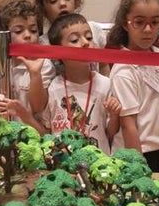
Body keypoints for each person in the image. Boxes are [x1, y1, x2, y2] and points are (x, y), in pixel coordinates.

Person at [107, 0, 159, 171]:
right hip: (135, 154)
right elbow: (128, 126)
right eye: (139, 22)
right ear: (125, 24)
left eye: (154, 22)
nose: (147, 29)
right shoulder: (124, 69)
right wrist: (138, 167)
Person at [39, 13, 120, 152]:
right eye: (75, 40)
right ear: (58, 52)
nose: (85, 42)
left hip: (99, 163)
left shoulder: (105, 84)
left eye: (89, 37)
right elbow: (47, 130)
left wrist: (114, 115)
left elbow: (111, 133)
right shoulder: (54, 87)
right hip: (64, 164)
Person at [0, 0, 53, 134]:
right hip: (7, 132)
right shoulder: (0, 62)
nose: (27, 35)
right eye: (19, 31)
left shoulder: (44, 64)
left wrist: (35, 73)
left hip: (36, 132)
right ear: (6, 36)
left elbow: (38, 106)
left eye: (33, 30)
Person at [33, 0, 108, 46]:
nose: (62, 4)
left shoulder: (95, 30)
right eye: (53, 1)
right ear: (43, 9)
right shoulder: (43, 44)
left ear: (76, 1)